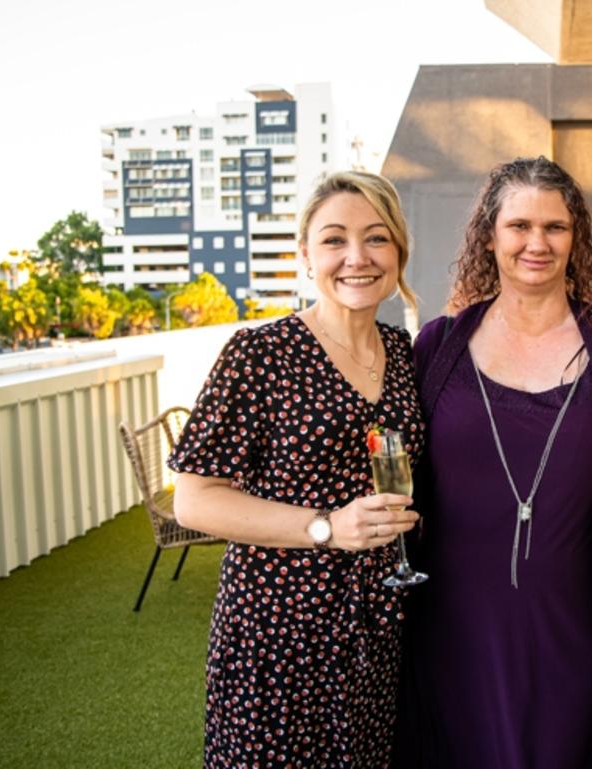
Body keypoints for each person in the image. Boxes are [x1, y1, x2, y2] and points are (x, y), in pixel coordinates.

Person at [396, 157, 592, 769]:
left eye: (555, 227)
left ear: (576, 239)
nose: (537, 243)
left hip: (578, 635)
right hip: (454, 634)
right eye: (519, 225)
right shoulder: (438, 347)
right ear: (489, 236)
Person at [168, 171, 425, 769]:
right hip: (278, 626)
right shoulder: (259, 355)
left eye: (376, 239)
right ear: (304, 257)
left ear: (398, 253)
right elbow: (195, 500)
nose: (356, 257)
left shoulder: (406, 353)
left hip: (376, 623)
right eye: (334, 240)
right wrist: (326, 528)